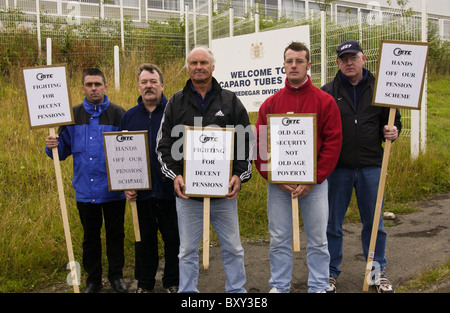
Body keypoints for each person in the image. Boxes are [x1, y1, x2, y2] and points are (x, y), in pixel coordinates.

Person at [156, 46, 254, 293]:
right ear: (187, 67)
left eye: (203, 62)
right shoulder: (175, 102)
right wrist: (175, 176)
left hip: (223, 193)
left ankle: (236, 292)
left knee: (232, 247)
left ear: (212, 66)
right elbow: (164, 143)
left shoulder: (230, 101)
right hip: (188, 193)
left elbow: (246, 141)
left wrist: (238, 175)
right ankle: (187, 293)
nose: (198, 67)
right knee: (187, 250)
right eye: (193, 63)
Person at [254, 41, 342, 293]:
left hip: (314, 184)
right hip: (279, 186)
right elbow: (260, 147)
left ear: (308, 65)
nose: (294, 65)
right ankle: (280, 286)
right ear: (283, 65)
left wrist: (313, 178)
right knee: (279, 238)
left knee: (317, 239)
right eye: (289, 61)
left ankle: (318, 285)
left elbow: (333, 143)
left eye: (299, 61)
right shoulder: (269, 105)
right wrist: (274, 177)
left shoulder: (325, 102)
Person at [321, 40, 401, 293]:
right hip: (338, 169)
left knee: (374, 223)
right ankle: (330, 274)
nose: (349, 62)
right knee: (333, 223)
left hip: (371, 167)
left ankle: (376, 274)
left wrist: (394, 131)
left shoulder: (382, 88)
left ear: (363, 59)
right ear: (338, 63)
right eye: (344, 59)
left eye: (353, 57)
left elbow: (393, 121)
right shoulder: (328, 91)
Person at [45, 68, 128, 293]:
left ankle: (116, 276)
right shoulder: (70, 116)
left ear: (105, 87)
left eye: (98, 84)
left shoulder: (119, 114)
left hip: (114, 191)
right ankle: (93, 280)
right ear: (82, 87)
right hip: (85, 190)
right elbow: (61, 152)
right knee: (90, 237)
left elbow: (129, 150)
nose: (94, 88)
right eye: (89, 84)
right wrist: (52, 144)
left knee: (115, 235)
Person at [119, 64, 179, 293]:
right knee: (144, 242)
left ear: (162, 85)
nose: (149, 86)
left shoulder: (173, 112)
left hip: (170, 191)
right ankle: (144, 284)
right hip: (141, 193)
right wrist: (125, 185)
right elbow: (121, 155)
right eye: (144, 82)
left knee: (174, 240)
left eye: (153, 81)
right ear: (138, 86)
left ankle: (172, 281)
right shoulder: (129, 117)